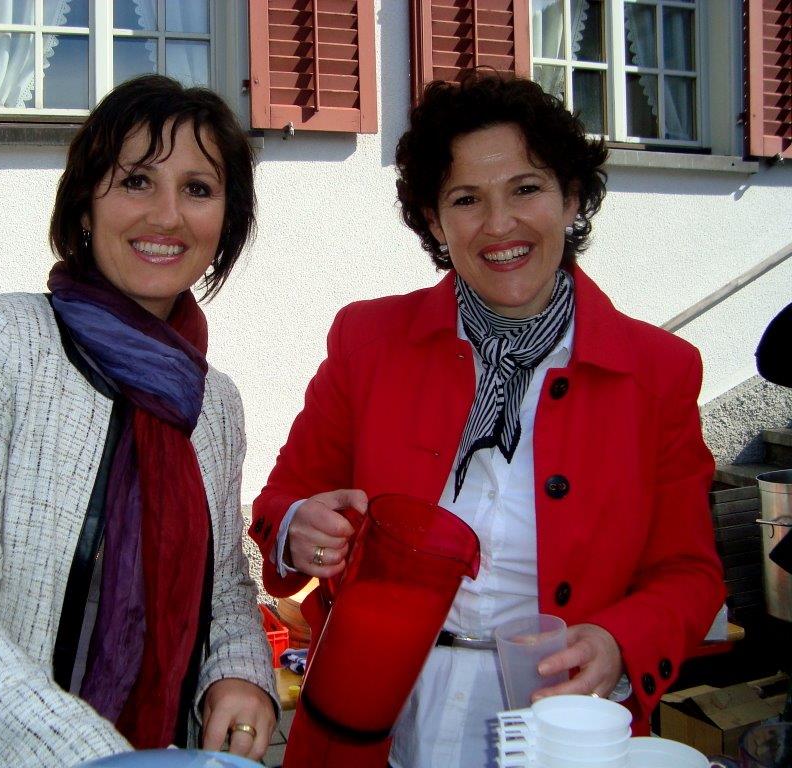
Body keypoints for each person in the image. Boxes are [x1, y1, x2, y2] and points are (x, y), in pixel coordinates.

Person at [249, 71, 725, 767]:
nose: (499, 225)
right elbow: (283, 499)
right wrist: (300, 529)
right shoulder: (367, 341)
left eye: (526, 189)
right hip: (369, 717)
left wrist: (618, 641)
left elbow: (689, 573)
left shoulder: (659, 372)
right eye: (466, 199)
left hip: (560, 727)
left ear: (571, 198)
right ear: (435, 222)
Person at [0, 75, 277, 768]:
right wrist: (96, 759)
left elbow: (223, 587)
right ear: (84, 205)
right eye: (136, 180)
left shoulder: (215, 403)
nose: (167, 215)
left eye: (198, 188)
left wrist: (241, 674)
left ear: (226, 221)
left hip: (153, 750)